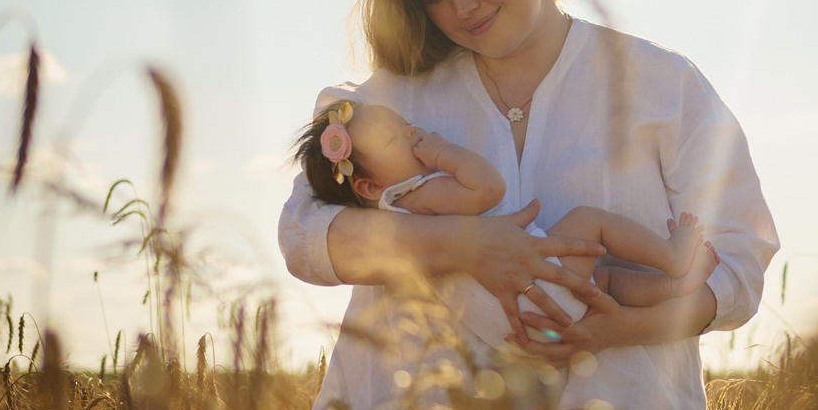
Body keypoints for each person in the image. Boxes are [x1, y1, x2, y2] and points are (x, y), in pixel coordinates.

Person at [279, 0, 777, 410]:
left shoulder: (663, 85)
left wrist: (618, 329)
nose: (461, 5)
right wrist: (461, 246)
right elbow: (305, 237)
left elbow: (740, 261)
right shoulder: (385, 107)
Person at [291, 95, 721, 317]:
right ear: (369, 186)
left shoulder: (402, 210)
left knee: (605, 282)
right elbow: (488, 189)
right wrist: (443, 153)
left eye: (403, 124)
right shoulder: (420, 194)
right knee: (589, 224)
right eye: (391, 138)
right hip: (533, 285)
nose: (409, 133)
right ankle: (671, 256)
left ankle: (672, 291)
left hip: (524, 302)